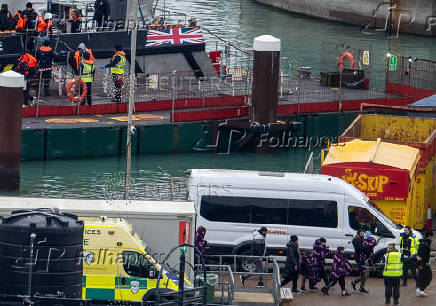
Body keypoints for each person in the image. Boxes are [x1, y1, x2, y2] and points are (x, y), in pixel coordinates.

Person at [415, 230, 433, 297]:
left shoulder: (425, 243)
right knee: (429, 277)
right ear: (429, 236)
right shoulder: (424, 244)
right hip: (423, 264)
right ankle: (420, 289)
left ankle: (420, 290)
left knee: (423, 277)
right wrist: (420, 264)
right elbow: (421, 255)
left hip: (424, 264)